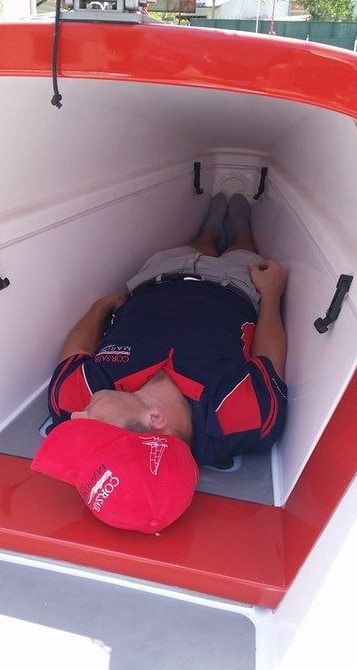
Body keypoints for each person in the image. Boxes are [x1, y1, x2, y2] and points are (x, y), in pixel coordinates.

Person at [32, 193, 288, 533]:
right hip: (235, 285)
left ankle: (212, 225)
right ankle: (241, 224)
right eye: (93, 428)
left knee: (202, 241)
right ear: (155, 419)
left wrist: (101, 306)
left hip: (155, 279)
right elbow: (269, 357)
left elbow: (74, 352)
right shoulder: (241, 417)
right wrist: (271, 293)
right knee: (243, 247)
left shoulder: (79, 401)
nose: (76, 417)